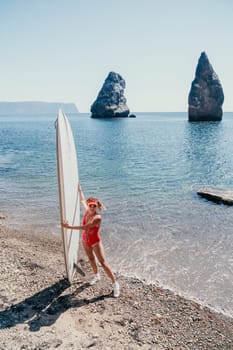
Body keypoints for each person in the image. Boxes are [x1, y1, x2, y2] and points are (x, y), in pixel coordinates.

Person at [62, 184, 120, 298]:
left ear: (97, 206)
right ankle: (96, 275)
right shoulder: (87, 211)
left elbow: (85, 228)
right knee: (91, 258)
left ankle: (115, 284)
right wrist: (80, 190)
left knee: (104, 263)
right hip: (85, 240)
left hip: (95, 242)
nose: (92, 207)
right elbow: (82, 200)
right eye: (90, 205)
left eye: (94, 205)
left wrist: (68, 227)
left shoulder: (97, 217)